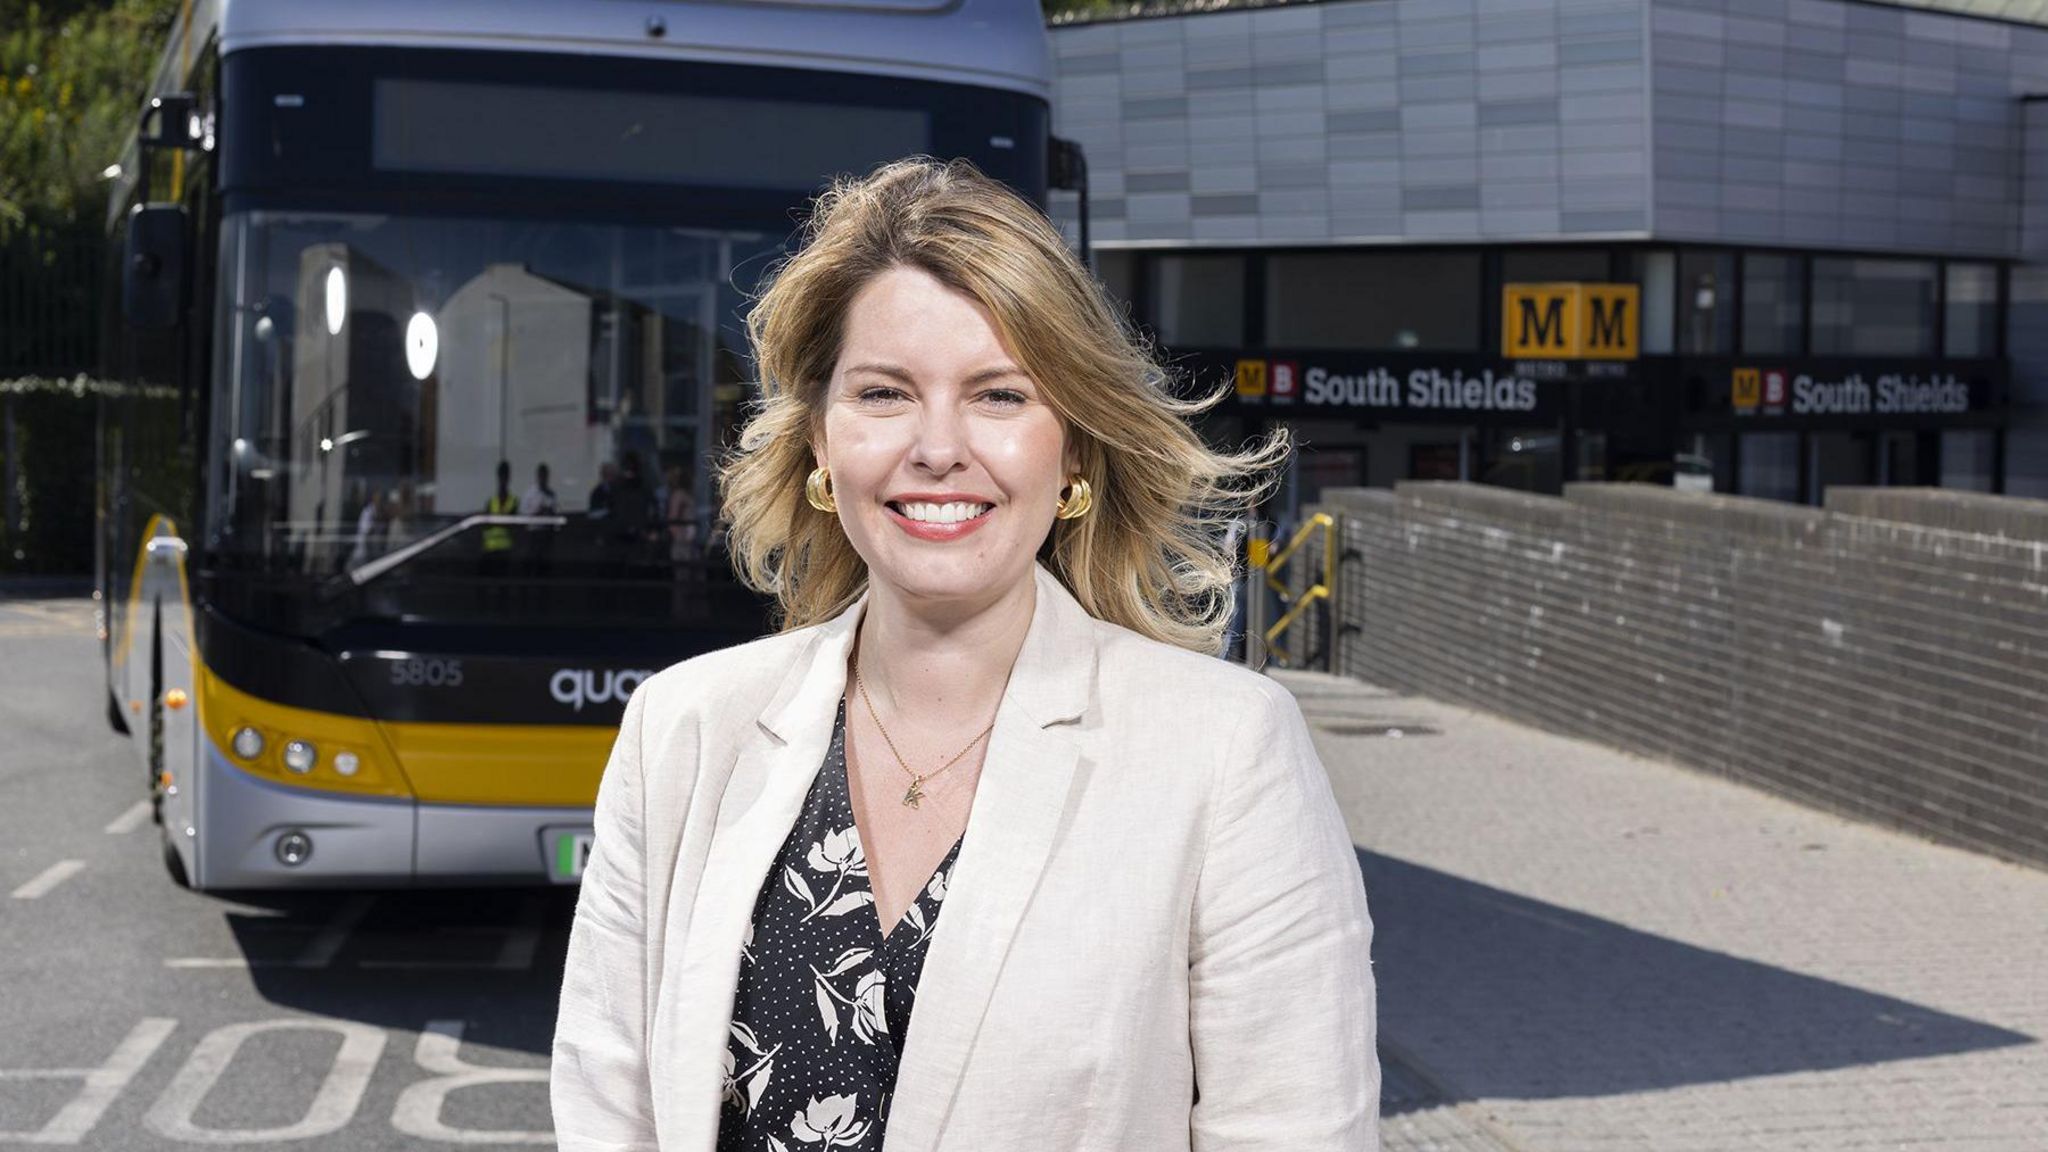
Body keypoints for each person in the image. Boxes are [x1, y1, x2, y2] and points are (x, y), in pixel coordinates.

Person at [551, 158, 1379, 1151]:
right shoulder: (681, 729)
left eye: (997, 396)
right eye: (884, 393)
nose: (937, 448)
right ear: (820, 442)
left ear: (1071, 449)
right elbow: (608, 1113)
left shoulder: (1223, 750)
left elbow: (1291, 1129)